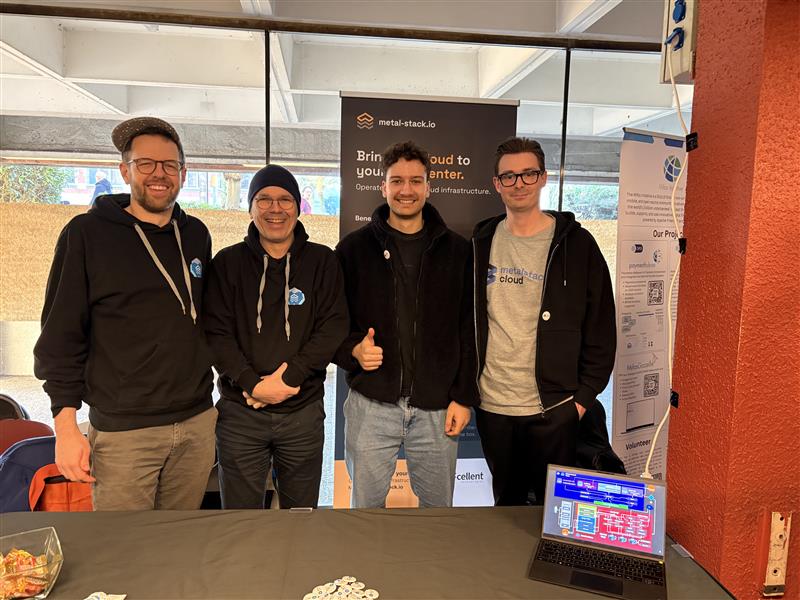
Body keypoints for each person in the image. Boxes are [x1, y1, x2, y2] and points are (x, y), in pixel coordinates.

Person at [34, 116, 217, 510]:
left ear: (183, 174)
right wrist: (65, 426)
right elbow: (60, 334)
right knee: (123, 542)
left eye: (169, 165)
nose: (159, 174)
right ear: (125, 170)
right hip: (125, 431)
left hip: (196, 421)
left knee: (180, 536)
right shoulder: (87, 234)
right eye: (145, 163)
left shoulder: (196, 234)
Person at [472, 136, 616, 506]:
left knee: (556, 513)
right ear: (496, 184)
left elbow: (602, 330)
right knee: (506, 507)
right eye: (509, 176)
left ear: (543, 178)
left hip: (555, 410)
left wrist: (581, 401)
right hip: (494, 407)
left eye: (528, 174)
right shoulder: (479, 242)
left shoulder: (578, 246)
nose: (518, 183)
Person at [334, 140, 478, 508]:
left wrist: (464, 397)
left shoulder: (458, 251)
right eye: (397, 181)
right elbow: (330, 323)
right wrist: (352, 350)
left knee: (438, 516)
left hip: (437, 408)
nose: (406, 190)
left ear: (429, 187)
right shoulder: (352, 250)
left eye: (416, 181)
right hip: (371, 405)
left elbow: (470, 330)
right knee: (364, 514)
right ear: (383, 186)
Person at [204, 164, 348, 509]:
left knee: (301, 516)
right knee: (241, 519)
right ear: (251, 207)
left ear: (298, 207)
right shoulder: (227, 263)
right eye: (264, 199)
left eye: (285, 199)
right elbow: (216, 334)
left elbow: (333, 327)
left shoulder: (322, 262)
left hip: (303, 413)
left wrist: (288, 378)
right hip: (240, 414)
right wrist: (253, 385)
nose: (275, 209)